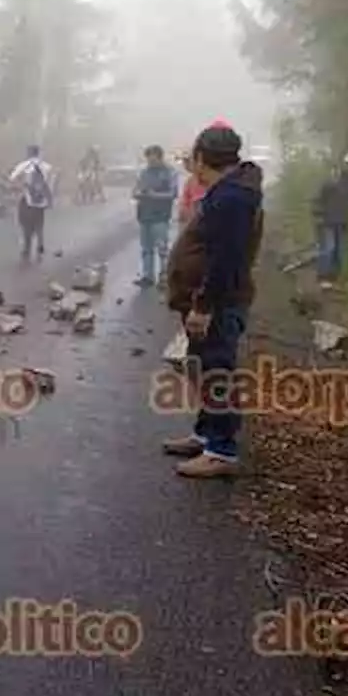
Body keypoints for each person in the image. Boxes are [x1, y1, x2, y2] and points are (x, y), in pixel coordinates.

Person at [163, 124, 264, 479]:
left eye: (195, 159)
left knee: (217, 370)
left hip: (219, 302)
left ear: (204, 158)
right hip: (207, 300)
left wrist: (204, 307)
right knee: (203, 367)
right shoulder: (228, 191)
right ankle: (206, 434)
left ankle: (221, 450)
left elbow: (226, 258)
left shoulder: (232, 198)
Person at [311, 151, 348, 289]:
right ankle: (323, 277)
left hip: (344, 223)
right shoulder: (333, 180)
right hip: (327, 221)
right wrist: (318, 214)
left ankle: (334, 278)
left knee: (340, 252)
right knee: (328, 249)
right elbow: (319, 198)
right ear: (346, 165)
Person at [132, 145, 179, 286]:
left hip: (160, 216)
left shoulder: (169, 173)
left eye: (153, 159)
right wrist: (139, 194)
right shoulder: (144, 173)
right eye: (148, 159)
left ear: (160, 157)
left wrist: (155, 195)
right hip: (144, 215)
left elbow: (173, 193)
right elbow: (135, 190)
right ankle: (148, 277)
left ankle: (164, 276)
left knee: (162, 248)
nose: (150, 162)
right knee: (146, 249)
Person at [9, 145, 56, 258]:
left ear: (28, 153)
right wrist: (49, 198)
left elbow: (12, 178)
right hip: (41, 201)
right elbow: (52, 181)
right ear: (38, 153)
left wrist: (19, 186)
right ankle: (40, 245)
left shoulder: (24, 165)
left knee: (26, 224)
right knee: (39, 223)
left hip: (27, 199)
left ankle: (27, 248)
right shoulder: (46, 166)